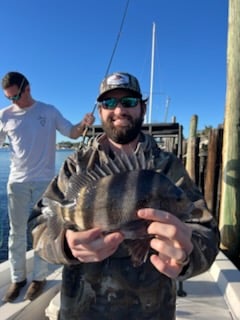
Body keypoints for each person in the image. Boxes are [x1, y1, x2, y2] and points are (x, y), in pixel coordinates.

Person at [30, 72, 220, 319]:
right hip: (82, 311)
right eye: (109, 103)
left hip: (151, 312)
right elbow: (39, 223)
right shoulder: (77, 165)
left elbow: (207, 231)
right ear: (100, 111)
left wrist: (187, 255)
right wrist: (65, 245)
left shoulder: (166, 168)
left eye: (128, 102)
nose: (118, 110)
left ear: (142, 107)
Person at [0, 71, 95, 303]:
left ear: (27, 88)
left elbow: (72, 133)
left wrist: (84, 124)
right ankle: (18, 278)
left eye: (15, 96)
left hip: (45, 183)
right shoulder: (4, 116)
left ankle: (39, 278)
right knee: (16, 234)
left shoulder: (48, 111)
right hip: (17, 183)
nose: (13, 102)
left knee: (43, 231)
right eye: (8, 98)